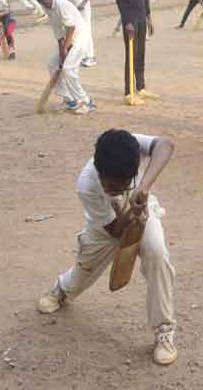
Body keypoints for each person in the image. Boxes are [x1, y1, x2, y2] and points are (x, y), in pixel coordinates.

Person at [35, 129, 178, 366]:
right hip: (107, 224)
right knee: (85, 269)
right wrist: (131, 215)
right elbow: (114, 231)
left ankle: (164, 330)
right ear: (99, 171)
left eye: (123, 185)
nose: (116, 190)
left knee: (156, 253)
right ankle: (62, 288)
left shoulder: (129, 146)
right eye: (110, 186)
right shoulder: (87, 184)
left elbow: (166, 145)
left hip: (141, 204)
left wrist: (141, 189)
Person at [36, 0, 95, 114]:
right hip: (68, 36)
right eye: (41, 2)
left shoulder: (61, 4)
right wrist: (62, 49)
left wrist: (65, 48)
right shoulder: (46, 6)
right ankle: (69, 100)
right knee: (52, 64)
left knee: (68, 69)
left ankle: (85, 102)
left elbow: (71, 27)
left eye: (45, 1)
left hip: (80, 36)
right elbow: (58, 31)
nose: (44, 4)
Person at [115, 0, 156, 105]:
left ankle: (141, 87)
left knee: (141, 53)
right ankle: (128, 92)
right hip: (130, 19)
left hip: (141, 16)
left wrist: (149, 16)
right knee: (131, 55)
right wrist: (127, 22)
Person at [61, 0, 96, 67]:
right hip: (75, 12)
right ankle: (83, 56)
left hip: (84, 10)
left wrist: (83, 4)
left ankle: (91, 57)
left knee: (87, 31)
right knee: (78, 33)